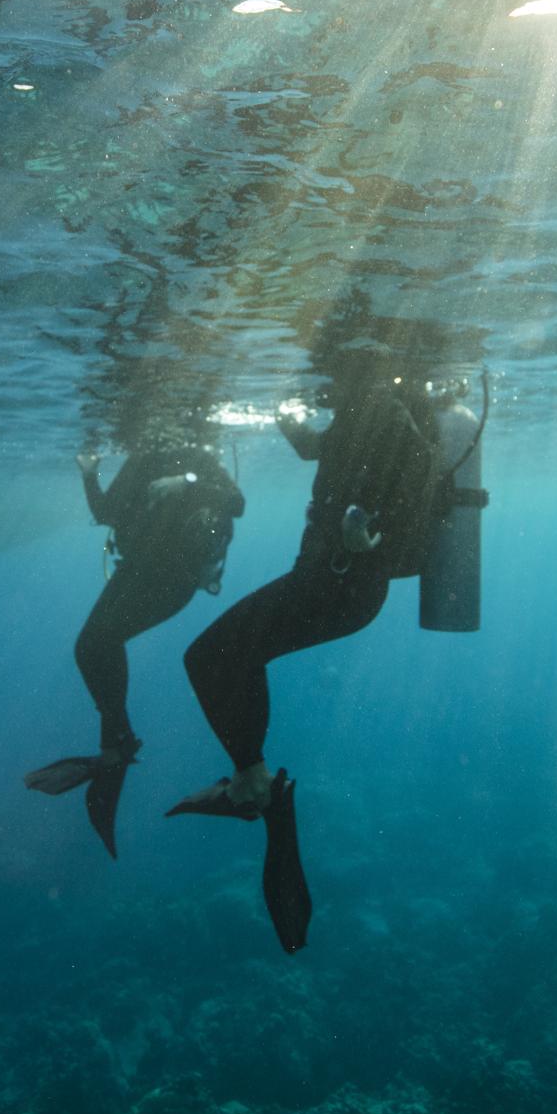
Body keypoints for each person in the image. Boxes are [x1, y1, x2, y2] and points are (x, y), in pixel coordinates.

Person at [167, 363, 470, 953]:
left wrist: (372, 529)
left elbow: (414, 466)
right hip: (334, 584)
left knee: (210, 656)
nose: (326, 387)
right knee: (226, 657)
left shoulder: (383, 408)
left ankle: (255, 787)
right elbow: (318, 448)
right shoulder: (362, 410)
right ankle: (254, 785)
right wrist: (286, 417)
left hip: (339, 586)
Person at [24, 437, 244, 857]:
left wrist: (186, 482)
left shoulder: (197, 453)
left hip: (176, 578)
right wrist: (90, 474)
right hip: (137, 570)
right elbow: (106, 512)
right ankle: (115, 746)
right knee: (90, 647)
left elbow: (236, 502)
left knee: (98, 643)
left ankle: (116, 746)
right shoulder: (141, 458)